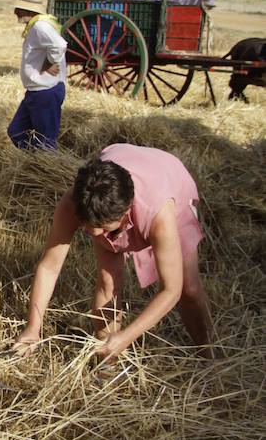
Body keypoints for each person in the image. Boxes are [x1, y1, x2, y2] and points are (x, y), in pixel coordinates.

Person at [12, 144, 214, 361]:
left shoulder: (159, 213)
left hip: (169, 180)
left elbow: (171, 290)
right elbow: (49, 266)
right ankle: (106, 363)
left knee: (189, 289)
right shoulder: (79, 201)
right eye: (87, 224)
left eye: (103, 227)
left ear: (126, 212)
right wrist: (33, 327)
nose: (95, 233)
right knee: (108, 283)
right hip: (125, 175)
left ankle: (209, 354)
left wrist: (127, 336)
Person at [7, 0, 67, 149]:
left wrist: (50, 62)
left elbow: (60, 45)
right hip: (36, 91)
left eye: (18, 8)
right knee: (16, 131)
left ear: (27, 9)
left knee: (46, 140)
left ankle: (46, 169)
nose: (15, 12)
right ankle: (34, 160)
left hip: (45, 92)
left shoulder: (41, 27)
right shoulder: (36, 26)